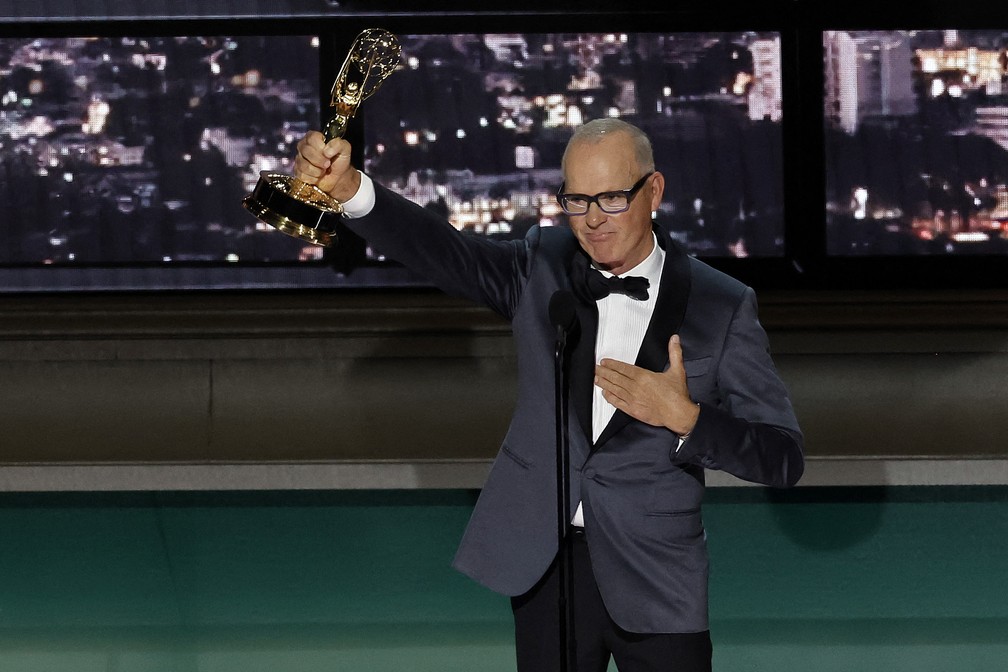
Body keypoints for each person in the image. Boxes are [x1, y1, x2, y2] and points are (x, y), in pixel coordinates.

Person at [294, 118, 804, 672]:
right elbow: (447, 253)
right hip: (546, 561)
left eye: (610, 198)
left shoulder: (720, 304)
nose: (591, 220)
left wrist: (686, 418)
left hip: (659, 574)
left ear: (653, 191)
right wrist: (352, 193)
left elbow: (782, 456)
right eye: (576, 200)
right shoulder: (544, 264)